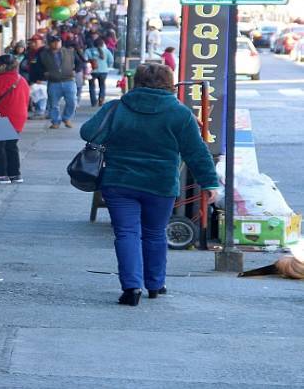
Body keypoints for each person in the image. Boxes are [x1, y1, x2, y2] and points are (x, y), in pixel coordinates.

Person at [80, 63, 218, 306]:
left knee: (126, 233)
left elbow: (88, 132)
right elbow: (197, 152)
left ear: (137, 83)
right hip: (160, 184)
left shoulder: (116, 108)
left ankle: (131, 288)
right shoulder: (180, 113)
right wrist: (209, 183)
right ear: (169, 84)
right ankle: (155, 284)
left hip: (119, 181)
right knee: (154, 233)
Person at [0, 54, 30, 184]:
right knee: (11, 146)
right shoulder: (22, 79)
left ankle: (1, 174)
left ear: (3, 66)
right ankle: (15, 174)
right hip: (19, 117)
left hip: (1, 116)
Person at [38, 35, 79, 129]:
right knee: (53, 103)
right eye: (54, 41)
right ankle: (55, 121)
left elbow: (79, 62)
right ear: (50, 43)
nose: (56, 43)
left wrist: (75, 70)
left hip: (69, 80)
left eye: (58, 41)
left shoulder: (69, 52)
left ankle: (67, 118)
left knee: (72, 101)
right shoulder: (44, 54)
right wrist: (44, 73)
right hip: (53, 82)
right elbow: (38, 66)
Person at [84, 38, 114, 107]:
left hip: (92, 71)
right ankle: (101, 98)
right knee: (102, 85)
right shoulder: (106, 51)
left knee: (91, 86)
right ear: (102, 44)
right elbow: (111, 60)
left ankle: (93, 101)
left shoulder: (88, 51)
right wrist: (107, 66)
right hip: (103, 71)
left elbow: (85, 60)